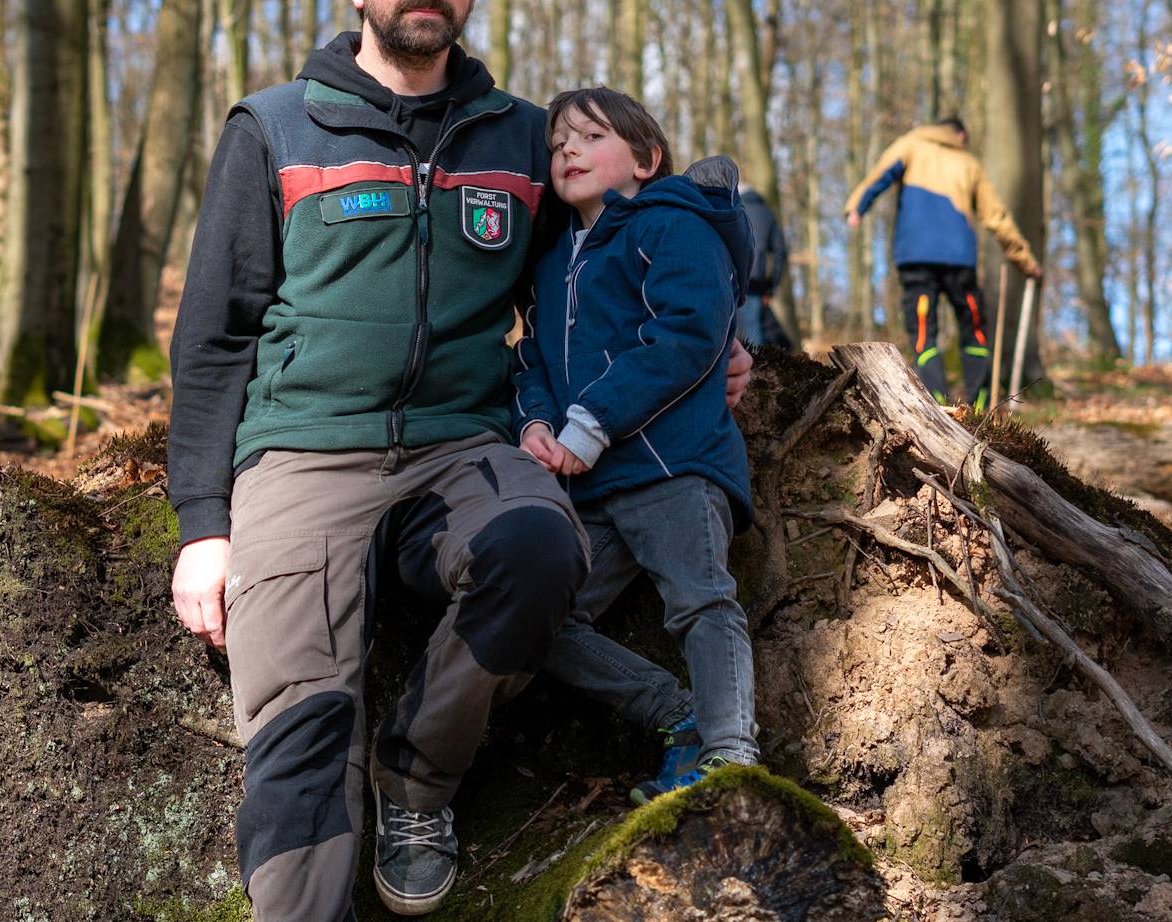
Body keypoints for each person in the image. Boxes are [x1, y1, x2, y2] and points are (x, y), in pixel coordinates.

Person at [165, 3, 752, 916]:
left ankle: (416, 783)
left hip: (465, 445)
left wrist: (725, 336)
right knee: (300, 719)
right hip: (302, 455)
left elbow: (599, 276)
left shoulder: (523, 139)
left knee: (539, 548)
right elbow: (213, 334)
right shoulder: (274, 127)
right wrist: (202, 521)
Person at [512, 88, 761, 806]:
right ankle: (673, 713)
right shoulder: (554, 260)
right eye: (558, 144)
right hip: (588, 487)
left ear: (646, 159)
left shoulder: (672, 224)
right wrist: (535, 423)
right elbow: (532, 359)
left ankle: (731, 754)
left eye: (589, 137)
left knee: (701, 602)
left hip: (672, 465)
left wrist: (589, 424)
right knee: (537, 620)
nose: (568, 152)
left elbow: (688, 331)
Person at [845, 117, 1040, 410]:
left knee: (924, 330)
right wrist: (1026, 262)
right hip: (959, 260)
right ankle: (978, 409)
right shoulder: (968, 163)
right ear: (961, 135)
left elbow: (879, 176)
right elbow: (996, 217)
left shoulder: (910, 144)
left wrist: (857, 207)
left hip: (916, 257)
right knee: (973, 329)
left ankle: (938, 407)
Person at [738, 182, 795, 350]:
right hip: (755, 284)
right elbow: (780, 253)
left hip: (731, 281)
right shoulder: (768, 214)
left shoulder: (731, 211)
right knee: (753, 334)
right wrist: (771, 286)